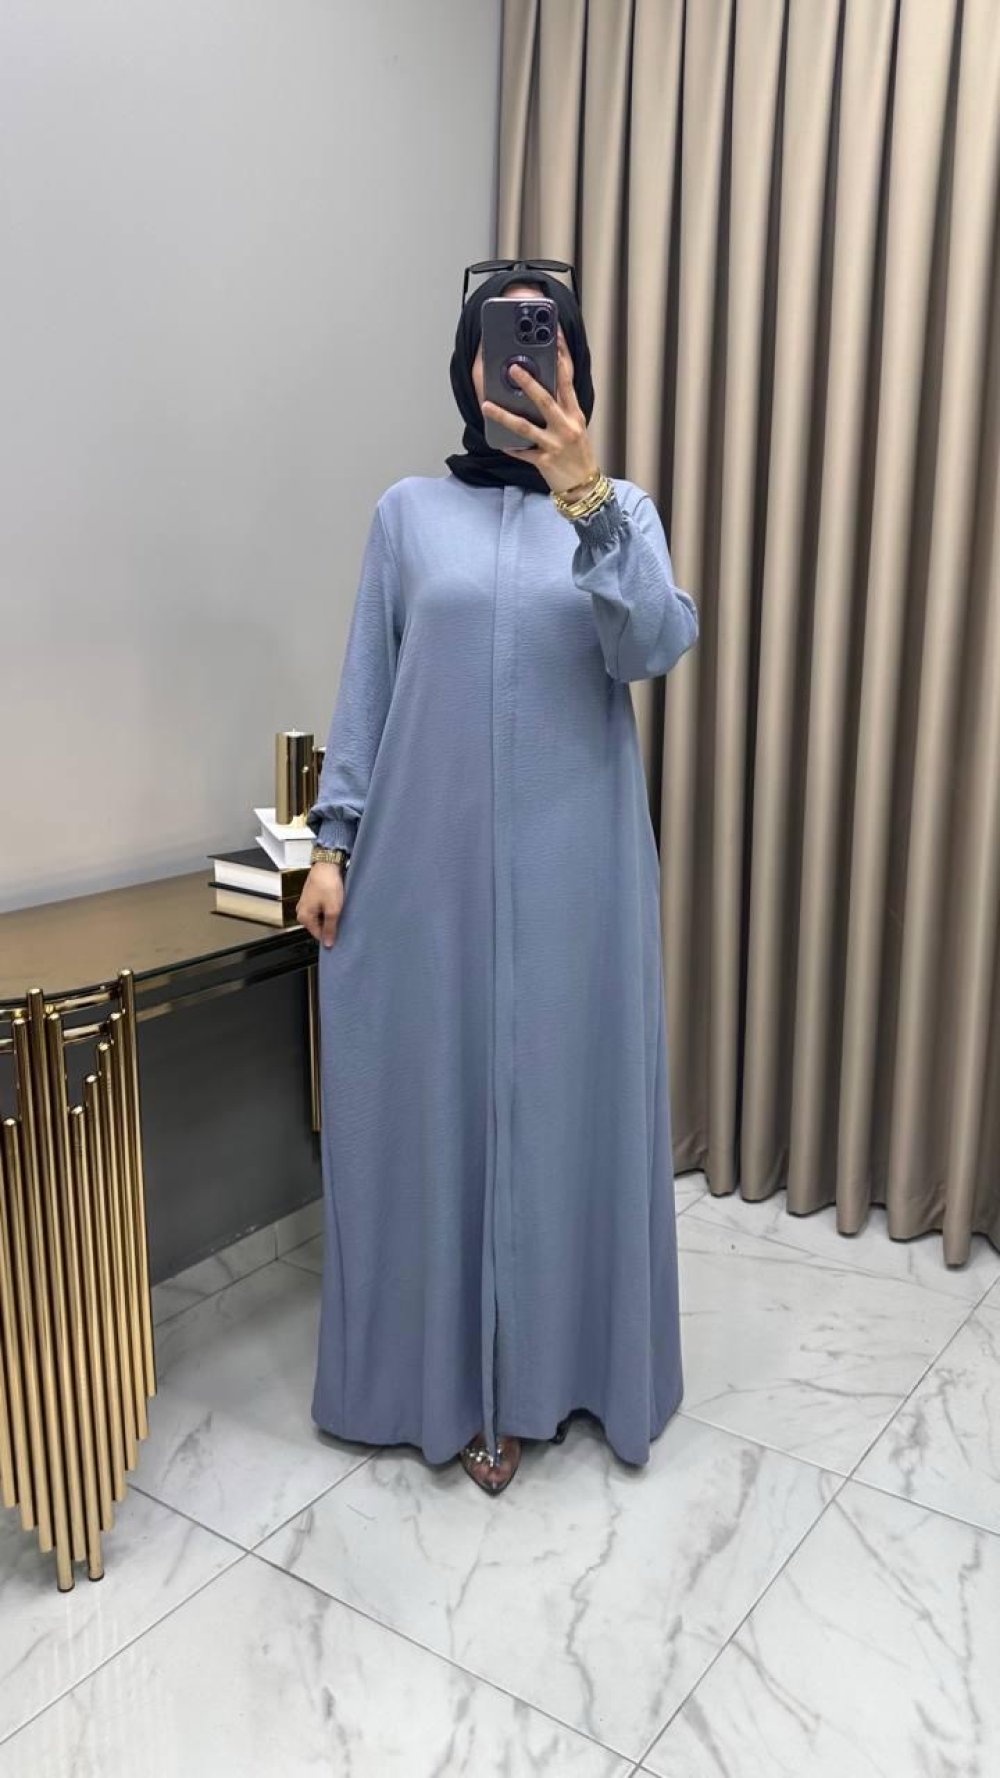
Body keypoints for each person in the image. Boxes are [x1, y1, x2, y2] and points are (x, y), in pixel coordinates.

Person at [296, 260, 699, 1495]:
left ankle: (545, 1374)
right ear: (468, 365)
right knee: (429, 1107)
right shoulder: (406, 514)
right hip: (426, 867)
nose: (522, 362)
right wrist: (332, 842)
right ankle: (435, 1374)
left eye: (544, 339)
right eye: (500, 340)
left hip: (578, 873)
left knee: (564, 1108)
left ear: (572, 362)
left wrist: (587, 498)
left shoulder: (619, 507)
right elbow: (369, 681)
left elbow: (652, 642)